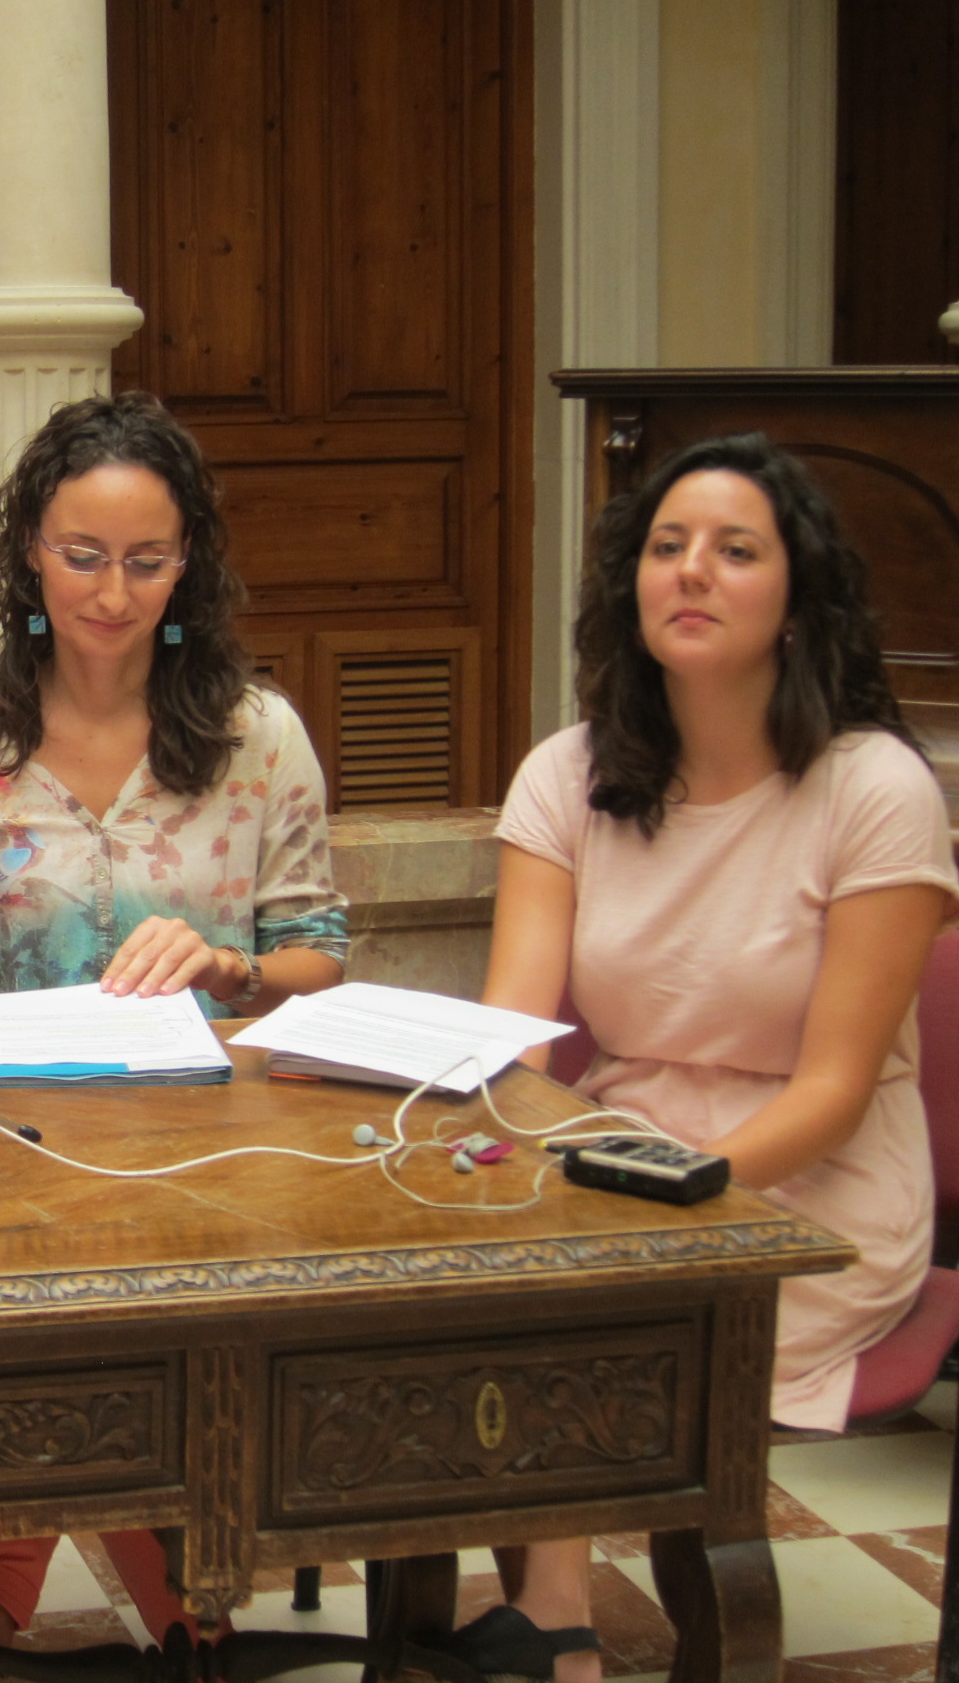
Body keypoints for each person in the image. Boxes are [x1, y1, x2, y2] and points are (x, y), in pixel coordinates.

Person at [461, 433, 958, 1683]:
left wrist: (662, 1200)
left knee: (592, 1307)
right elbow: (512, 1038)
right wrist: (500, 1151)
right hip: (616, 1144)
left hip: (809, 1184)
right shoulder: (566, 776)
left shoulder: (874, 787)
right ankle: (552, 1619)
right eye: (667, 547)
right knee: (477, 1290)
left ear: (798, 599)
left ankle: (555, 1633)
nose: (691, 572)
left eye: (735, 551)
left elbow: (834, 1094)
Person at [0, 393, 349, 1661]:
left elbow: (321, 953)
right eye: (82, 556)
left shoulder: (256, 736)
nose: (111, 593)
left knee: (146, 1325)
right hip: (18, 1142)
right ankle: (168, 1602)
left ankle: (12, 1590)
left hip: (217, 1145)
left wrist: (230, 966)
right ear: (28, 555)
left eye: (147, 561)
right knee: (58, 1315)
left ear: (187, 560)